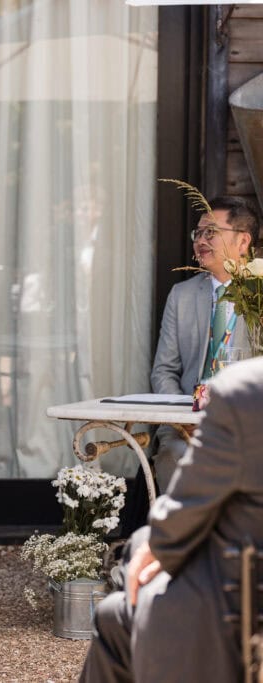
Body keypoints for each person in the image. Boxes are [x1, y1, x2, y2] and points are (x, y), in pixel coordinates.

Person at [80, 357, 263, 682]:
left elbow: (182, 514)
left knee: (115, 612)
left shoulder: (246, 392)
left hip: (239, 628)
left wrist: (148, 549)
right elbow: (163, 369)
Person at [149, 196, 259, 491]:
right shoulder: (182, 295)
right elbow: (164, 370)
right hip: (186, 423)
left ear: (243, 241)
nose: (201, 240)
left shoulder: (259, 292)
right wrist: (182, 417)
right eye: (198, 233)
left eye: (211, 232)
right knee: (175, 454)